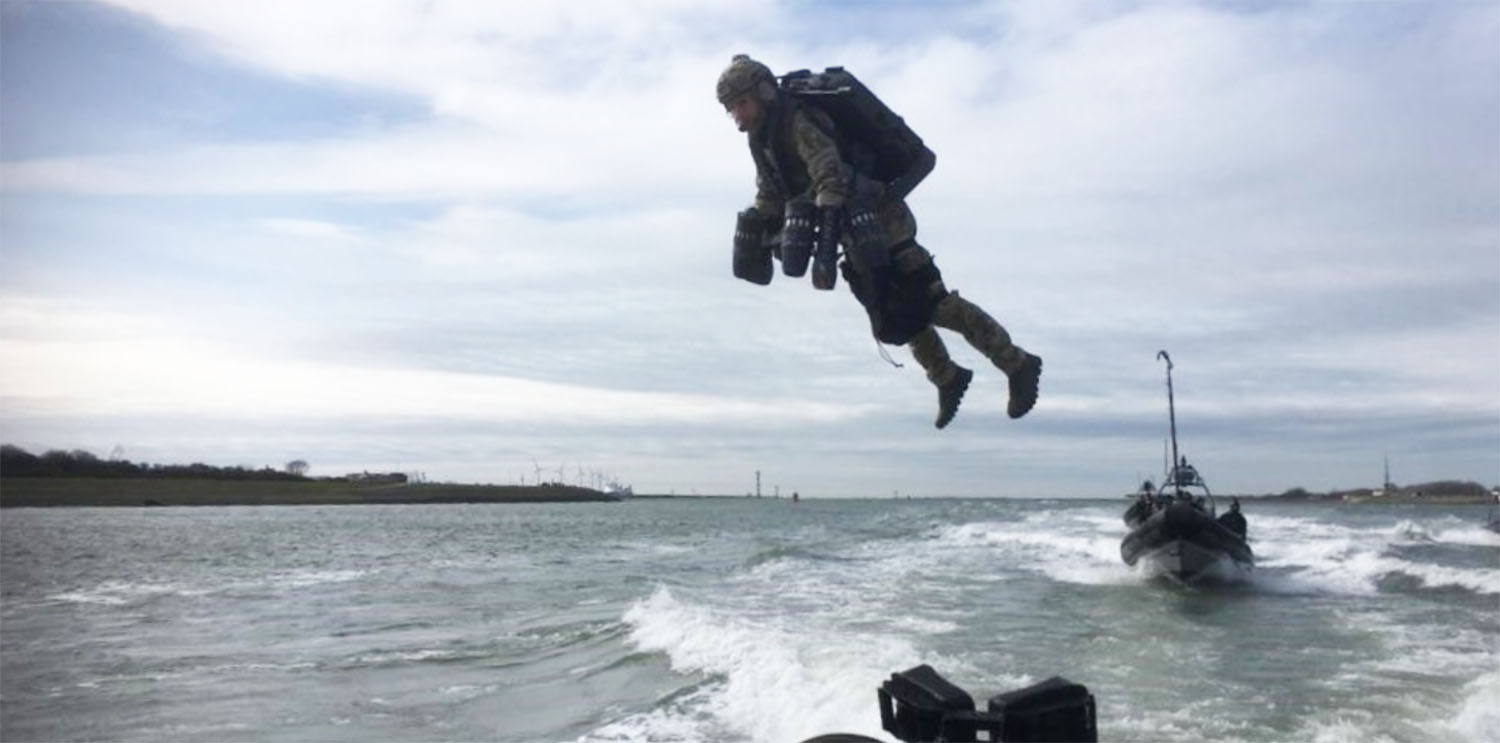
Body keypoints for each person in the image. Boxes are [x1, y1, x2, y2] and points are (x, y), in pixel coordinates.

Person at [716, 55, 1041, 429]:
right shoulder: (763, 138)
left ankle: (1017, 362)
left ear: (763, 93)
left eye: (741, 104)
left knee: (933, 301)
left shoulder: (797, 121)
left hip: (881, 219)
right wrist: (759, 220)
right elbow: (771, 190)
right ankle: (947, 377)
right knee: (889, 312)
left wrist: (823, 244)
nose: (737, 115)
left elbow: (829, 175)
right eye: (731, 109)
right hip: (851, 229)